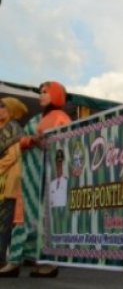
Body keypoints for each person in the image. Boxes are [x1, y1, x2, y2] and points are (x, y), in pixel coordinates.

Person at [0, 81, 71, 278]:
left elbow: (66, 146)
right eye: (40, 92)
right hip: (29, 176)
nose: (41, 96)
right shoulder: (38, 118)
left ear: (56, 95)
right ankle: (21, 260)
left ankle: (45, 264)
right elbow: (21, 141)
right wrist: (31, 140)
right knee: (25, 219)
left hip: (47, 178)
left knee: (44, 221)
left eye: (45, 92)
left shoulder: (61, 118)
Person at [0, 97, 27, 269]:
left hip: (8, 182)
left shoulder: (13, 128)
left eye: (2, 106)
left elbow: (12, 156)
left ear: (11, 110)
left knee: (3, 224)